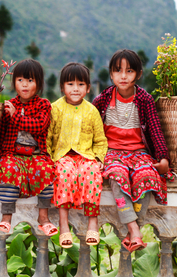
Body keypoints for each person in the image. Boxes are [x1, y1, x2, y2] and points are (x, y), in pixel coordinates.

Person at [93, 49, 173, 252]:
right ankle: (134, 228)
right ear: (111, 74)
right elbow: (90, 127)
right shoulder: (103, 100)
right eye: (118, 71)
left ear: (137, 74)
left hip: (139, 153)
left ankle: (132, 232)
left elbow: (155, 129)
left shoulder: (144, 100)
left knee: (147, 175)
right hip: (111, 152)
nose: (123, 76)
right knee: (117, 175)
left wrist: (163, 158)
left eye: (129, 71)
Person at [0, 59, 57, 236]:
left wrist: (15, 116)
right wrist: (2, 115)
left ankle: (43, 217)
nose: (24, 85)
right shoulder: (10, 104)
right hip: (12, 153)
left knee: (46, 171)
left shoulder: (43, 105)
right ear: (14, 82)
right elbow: (0, 130)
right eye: (20, 80)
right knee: (8, 170)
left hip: (36, 155)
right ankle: (6, 217)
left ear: (39, 83)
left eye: (30, 81)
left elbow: (39, 125)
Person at [47, 63, 108, 248]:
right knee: (64, 174)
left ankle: (92, 222)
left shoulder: (91, 111)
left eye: (80, 84)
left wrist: (98, 159)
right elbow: (47, 137)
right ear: (62, 87)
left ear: (88, 88)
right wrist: (49, 158)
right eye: (70, 84)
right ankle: (64, 223)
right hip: (61, 156)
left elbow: (101, 141)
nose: (75, 89)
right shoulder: (55, 108)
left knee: (91, 173)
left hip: (86, 156)